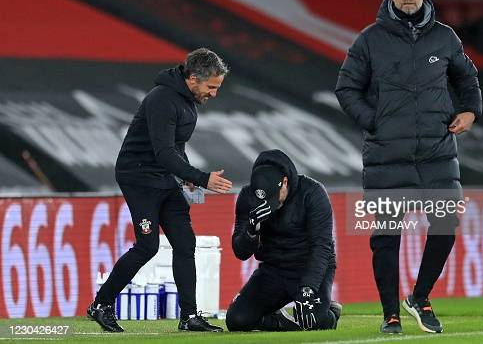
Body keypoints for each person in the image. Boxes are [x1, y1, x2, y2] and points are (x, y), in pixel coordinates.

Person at [335, 0, 482, 334]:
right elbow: (346, 88)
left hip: (437, 153)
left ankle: (420, 296)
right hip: (387, 155)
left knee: (446, 224)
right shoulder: (369, 39)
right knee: (386, 236)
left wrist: (469, 111)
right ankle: (390, 314)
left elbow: (467, 78)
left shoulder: (445, 38)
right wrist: (375, 122)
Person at [87, 48, 233, 333]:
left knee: (184, 243)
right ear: (193, 79)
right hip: (138, 178)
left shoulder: (187, 100)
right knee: (148, 246)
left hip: (164, 177)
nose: (214, 94)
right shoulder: (162, 100)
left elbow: (176, 147)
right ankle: (101, 305)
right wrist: (201, 178)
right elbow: (164, 151)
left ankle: (189, 317)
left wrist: (187, 175)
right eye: (211, 87)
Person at [225, 149, 341, 332]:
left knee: (313, 321)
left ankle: (330, 313)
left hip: (308, 267)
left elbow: (322, 247)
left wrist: (307, 288)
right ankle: (280, 321)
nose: (273, 206)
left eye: (274, 198)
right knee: (237, 320)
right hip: (273, 270)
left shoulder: (313, 193)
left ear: (285, 182)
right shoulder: (248, 197)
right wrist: (251, 231)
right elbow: (240, 252)